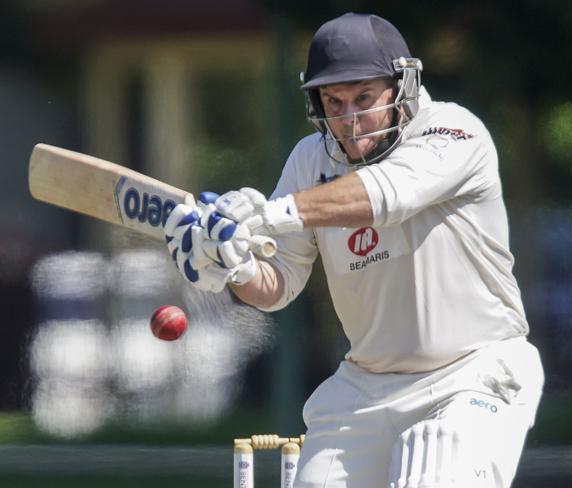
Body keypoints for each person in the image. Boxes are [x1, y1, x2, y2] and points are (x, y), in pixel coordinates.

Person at [163, 12, 544, 488]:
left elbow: (384, 195)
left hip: (472, 372)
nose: (349, 119)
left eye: (364, 98)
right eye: (333, 101)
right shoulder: (310, 160)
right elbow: (278, 283)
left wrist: (264, 214)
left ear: (401, 83)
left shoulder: (454, 131)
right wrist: (233, 263)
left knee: (435, 466)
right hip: (367, 386)